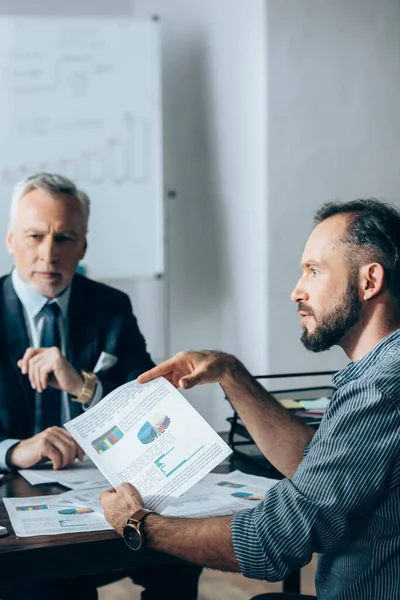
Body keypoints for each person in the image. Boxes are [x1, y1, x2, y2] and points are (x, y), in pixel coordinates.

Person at [102, 198, 400, 600]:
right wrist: (230, 373)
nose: (297, 291)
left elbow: (272, 542)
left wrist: (138, 523)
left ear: (369, 281)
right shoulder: (380, 372)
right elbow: (319, 470)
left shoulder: (381, 387)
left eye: (313, 271)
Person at [0, 173, 202, 600]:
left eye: (65, 238)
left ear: (84, 247)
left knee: (184, 556)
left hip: (102, 491)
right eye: (35, 236)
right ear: (11, 240)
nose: (49, 254)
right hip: (13, 509)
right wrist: (14, 450)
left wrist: (83, 384)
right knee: (51, 587)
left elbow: (154, 407)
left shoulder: (111, 307)